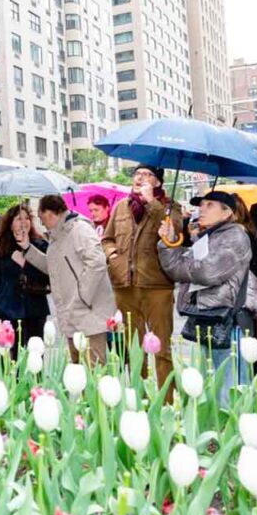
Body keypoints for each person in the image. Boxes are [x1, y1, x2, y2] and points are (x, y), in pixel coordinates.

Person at [158, 190, 252, 407]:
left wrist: (186, 267)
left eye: (210, 205)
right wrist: (169, 242)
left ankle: (234, 437)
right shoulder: (208, 237)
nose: (202, 209)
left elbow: (207, 272)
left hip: (228, 319)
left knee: (229, 389)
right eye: (202, 205)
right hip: (207, 317)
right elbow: (174, 269)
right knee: (211, 384)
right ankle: (217, 437)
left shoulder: (235, 236)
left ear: (227, 213)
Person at [102, 164, 181, 388]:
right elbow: (107, 239)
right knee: (133, 346)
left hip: (157, 286)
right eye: (137, 174)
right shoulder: (121, 207)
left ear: (157, 182)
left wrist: (152, 203)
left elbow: (174, 234)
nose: (140, 178)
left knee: (161, 348)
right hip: (124, 285)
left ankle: (167, 402)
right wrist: (114, 256)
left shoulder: (169, 206)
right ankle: (140, 397)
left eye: (147, 175)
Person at [22, 195, 115, 364]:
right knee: (77, 370)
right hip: (71, 312)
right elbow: (53, 268)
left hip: (88, 311)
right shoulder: (57, 237)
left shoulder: (79, 229)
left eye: (42, 219)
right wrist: (28, 250)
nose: (42, 224)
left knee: (94, 369)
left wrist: (82, 295)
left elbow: (97, 262)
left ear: (50, 213)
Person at [0, 202, 51, 345]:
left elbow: (48, 275)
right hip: (9, 309)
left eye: (27, 218)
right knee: (13, 352)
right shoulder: (2, 247)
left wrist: (26, 263)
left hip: (34, 308)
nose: (24, 222)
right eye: (19, 219)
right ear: (10, 223)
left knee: (35, 352)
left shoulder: (40, 245)